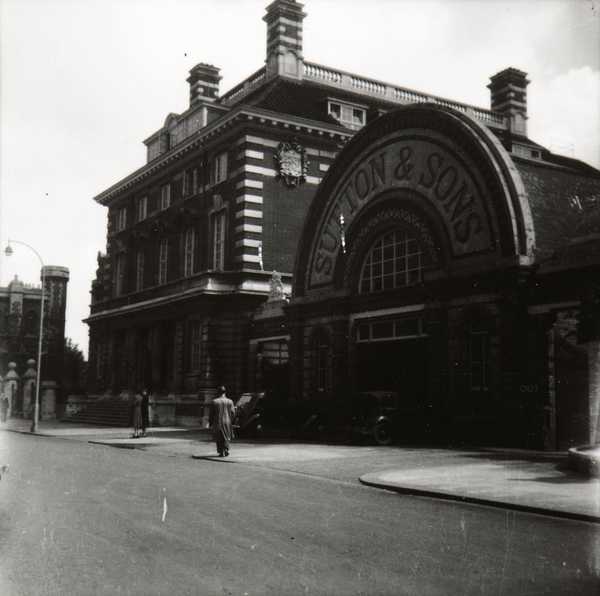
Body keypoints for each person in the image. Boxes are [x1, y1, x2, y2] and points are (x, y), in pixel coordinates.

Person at [210, 386, 235, 457]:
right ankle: (226, 449)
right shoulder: (230, 401)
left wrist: (210, 422)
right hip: (227, 421)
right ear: (225, 392)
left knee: (219, 436)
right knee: (226, 436)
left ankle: (221, 451)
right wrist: (231, 420)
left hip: (218, 421)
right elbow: (233, 412)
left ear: (218, 392)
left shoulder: (214, 401)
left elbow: (211, 414)